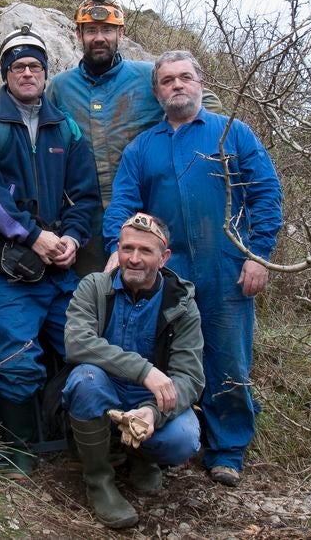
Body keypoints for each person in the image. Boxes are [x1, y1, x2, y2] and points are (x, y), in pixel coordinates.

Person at [103, 50, 283, 487]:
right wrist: (116, 249)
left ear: (200, 83)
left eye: (185, 77)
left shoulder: (232, 133)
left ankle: (227, 451)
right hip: (167, 273)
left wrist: (258, 255)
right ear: (157, 92)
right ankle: (164, 442)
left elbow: (266, 194)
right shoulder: (143, 147)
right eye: (167, 81)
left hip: (226, 268)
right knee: (163, 356)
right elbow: (123, 204)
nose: (177, 85)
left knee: (228, 358)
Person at [0, 25, 100, 474]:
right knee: (16, 362)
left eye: (35, 67)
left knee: (89, 350)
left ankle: (87, 443)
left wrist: (73, 239)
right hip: (7, 271)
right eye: (18, 67)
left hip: (60, 269)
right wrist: (31, 235)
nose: (27, 73)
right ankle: (17, 451)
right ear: (5, 74)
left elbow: (85, 196)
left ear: (45, 73)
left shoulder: (67, 128)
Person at [48, 0, 223, 274]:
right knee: (95, 291)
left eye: (107, 30)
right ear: (78, 35)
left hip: (146, 211)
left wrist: (181, 145)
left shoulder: (147, 76)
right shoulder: (60, 87)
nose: (99, 37)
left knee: (151, 287)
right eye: (91, 30)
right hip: (86, 218)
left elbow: (205, 102)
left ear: (120, 33)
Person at [63, 213, 204, 529]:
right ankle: (99, 481)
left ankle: (142, 458)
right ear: (118, 249)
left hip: (150, 400)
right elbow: (77, 343)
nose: (134, 259)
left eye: (145, 251)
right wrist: (144, 371)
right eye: (127, 248)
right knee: (84, 379)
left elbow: (190, 378)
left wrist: (153, 412)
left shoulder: (181, 303)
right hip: (104, 391)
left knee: (183, 438)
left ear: (164, 257)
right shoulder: (95, 287)